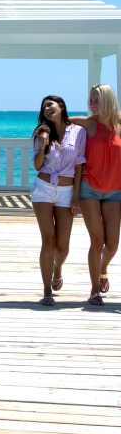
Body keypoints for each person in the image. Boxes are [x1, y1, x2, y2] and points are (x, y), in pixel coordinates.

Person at [31, 96, 86, 306]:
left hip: (66, 190)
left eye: (50, 105)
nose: (46, 108)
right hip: (43, 189)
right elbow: (37, 165)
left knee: (62, 245)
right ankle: (47, 291)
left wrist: (76, 197)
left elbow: (80, 164)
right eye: (44, 106)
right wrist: (44, 146)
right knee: (49, 240)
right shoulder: (41, 133)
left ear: (61, 107)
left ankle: (57, 268)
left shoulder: (78, 132)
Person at [69, 84, 121, 306]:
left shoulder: (119, 124)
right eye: (90, 100)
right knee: (97, 241)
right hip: (89, 188)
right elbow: (57, 121)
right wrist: (43, 132)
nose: (92, 104)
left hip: (114, 190)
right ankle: (94, 291)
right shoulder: (87, 124)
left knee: (112, 245)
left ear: (108, 101)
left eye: (97, 100)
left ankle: (102, 269)